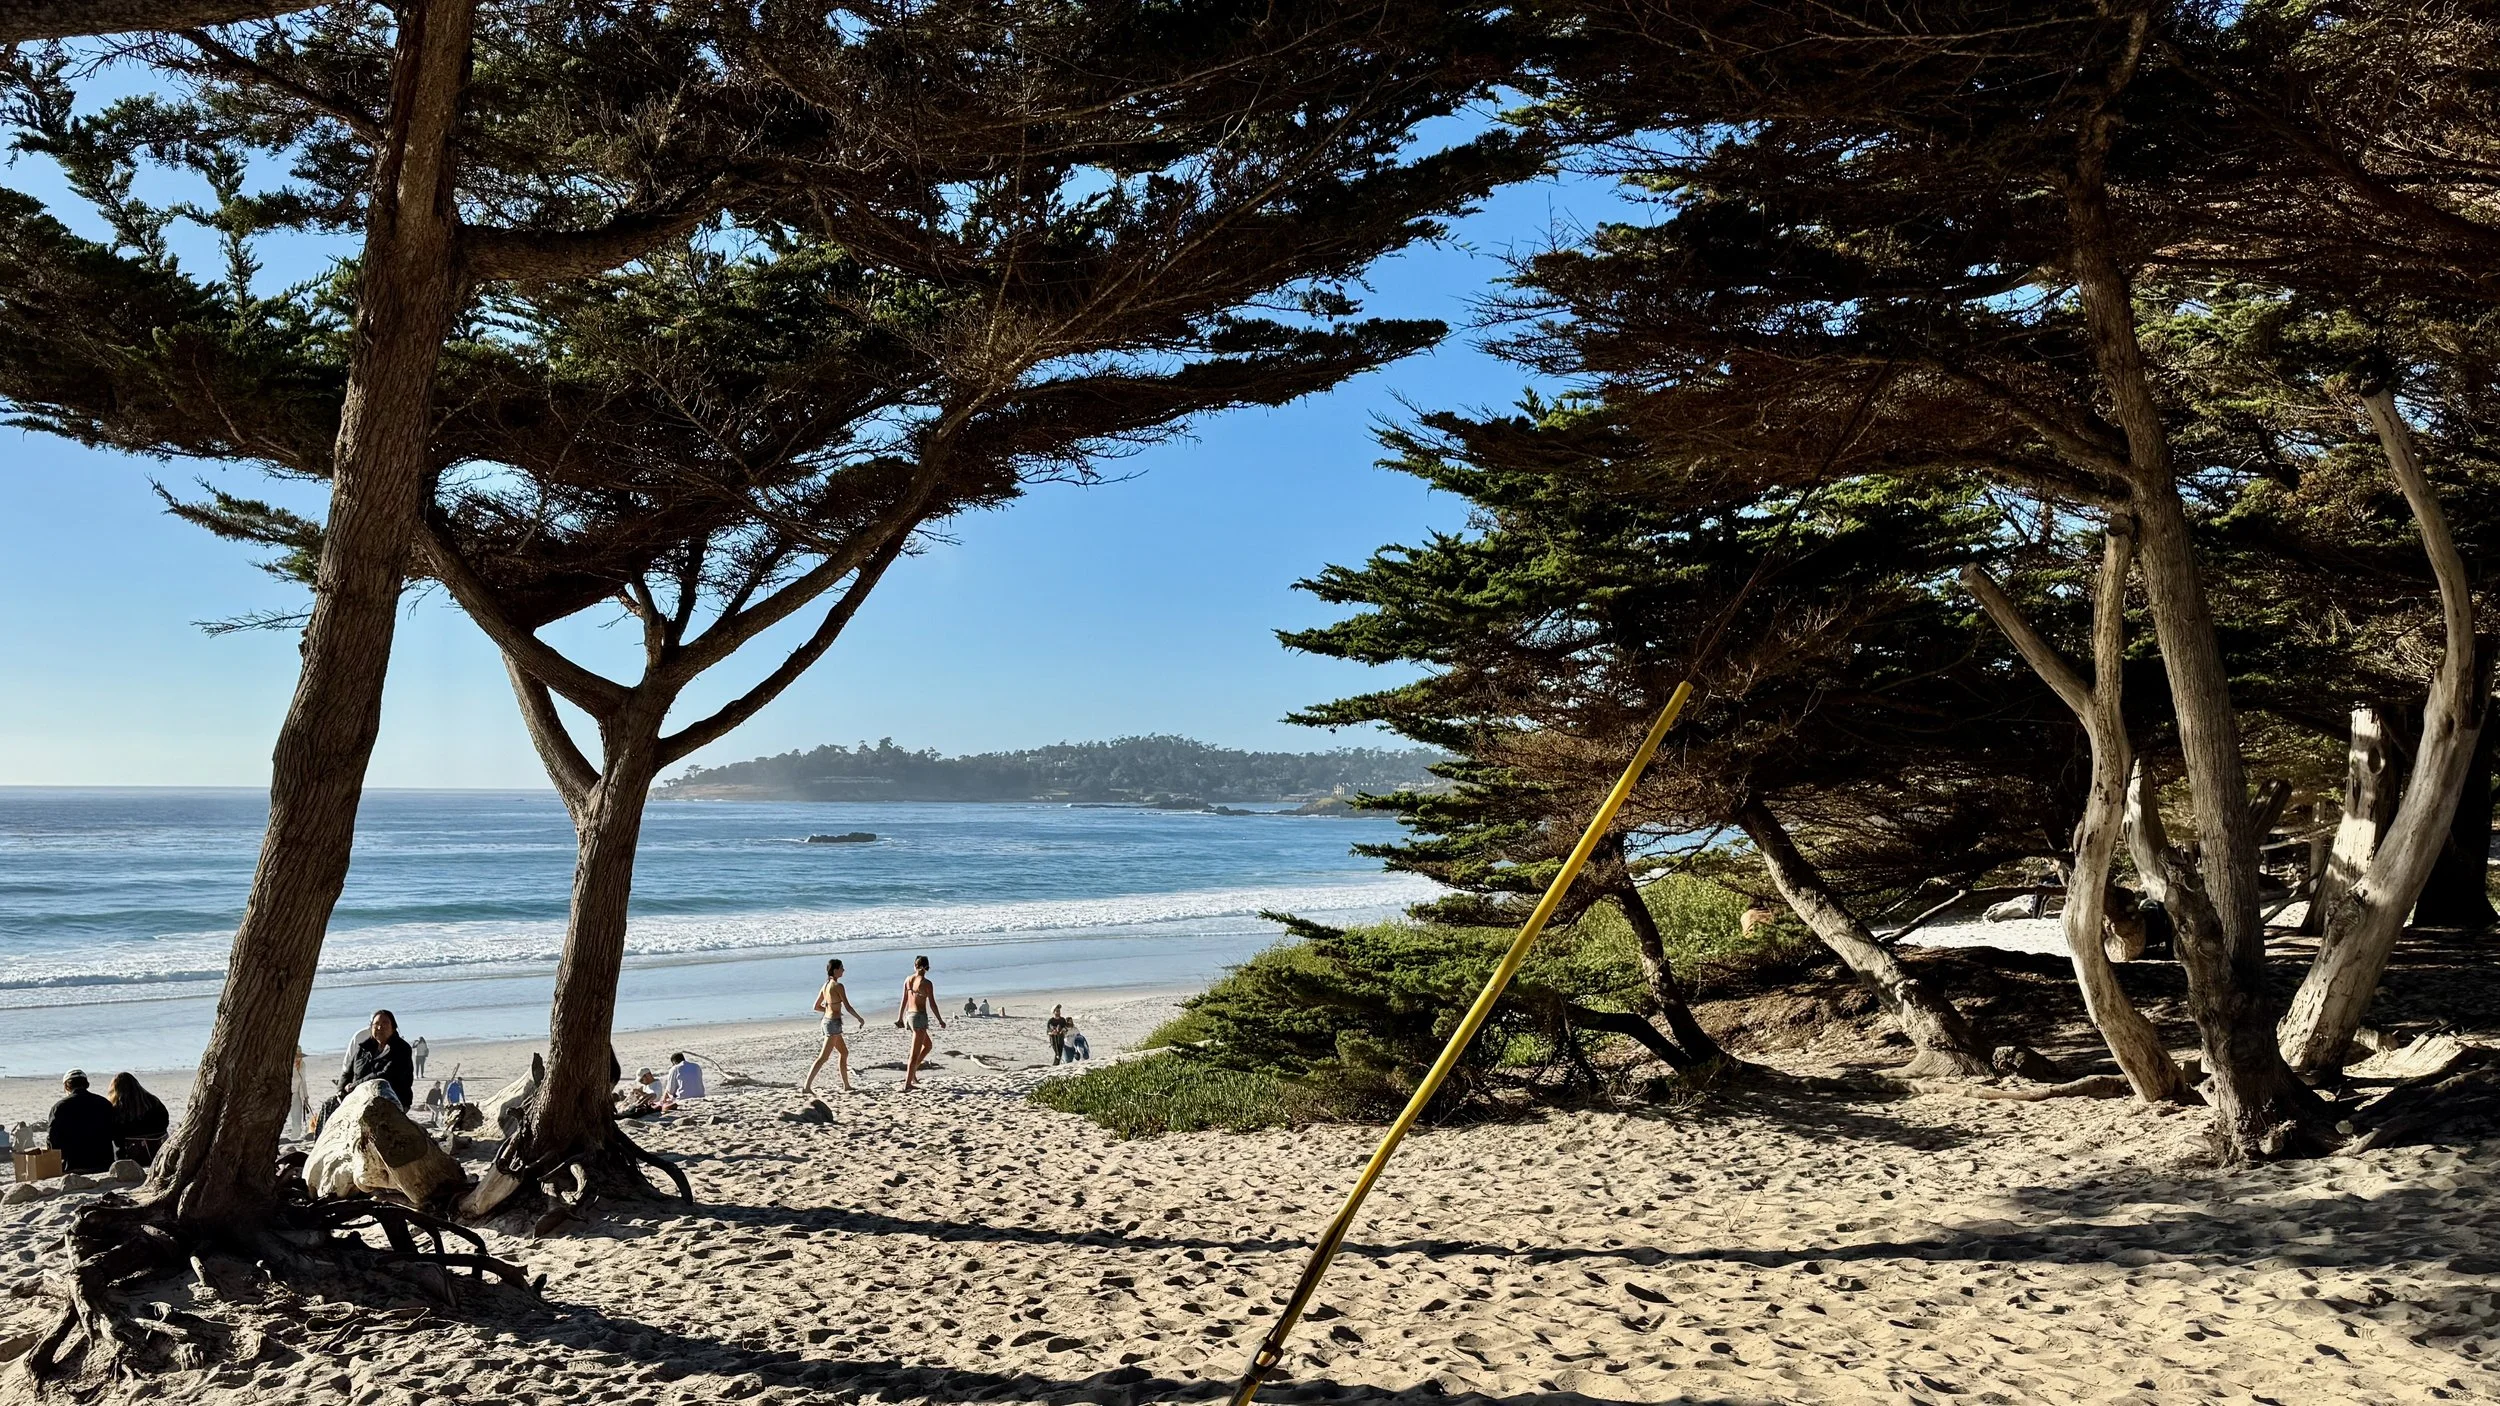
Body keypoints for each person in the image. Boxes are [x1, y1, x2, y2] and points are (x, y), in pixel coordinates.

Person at [804, 959, 868, 1096]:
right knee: (823, 1057)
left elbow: (816, 1006)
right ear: (835, 970)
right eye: (841, 968)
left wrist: (829, 1009)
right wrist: (859, 1018)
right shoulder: (838, 986)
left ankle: (846, 1085)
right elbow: (848, 1006)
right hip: (832, 1024)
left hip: (828, 1022)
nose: (843, 970)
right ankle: (807, 1086)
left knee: (844, 1053)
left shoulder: (826, 985)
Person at [339, 1009, 416, 1107]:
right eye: (376, 1024)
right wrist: (341, 1091)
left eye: (385, 1023)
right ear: (371, 1028)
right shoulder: (363, 1047)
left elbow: (386, 1075)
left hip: (390, 1100)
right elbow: (347, 1072)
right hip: (358, 1097)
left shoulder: (402, 1049)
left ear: (393, 1028)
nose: (380, 1027)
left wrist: (354, 1086)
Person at [46, 1070, 116, 1175]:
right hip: (104, 1163)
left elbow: (53, 1139)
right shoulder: (104, 1103)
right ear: (87, 1084)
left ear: (66, 1086)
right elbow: (114, 1131)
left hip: (73, 1165)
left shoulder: (60, 1107)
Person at [894, 954, 945, 1090]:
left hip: (909, 1016)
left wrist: (900, 1018)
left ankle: (913, 1072)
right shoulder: (926, 983)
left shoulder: (908, 980)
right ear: (926, 967)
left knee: (927, 1045)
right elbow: (933, 1004)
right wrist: (940, 1020)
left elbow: (904, 1000)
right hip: (919, 1017)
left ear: (915, 966)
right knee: (914, 1052)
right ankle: (907, 1083)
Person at [106, 1072, 171, 1166]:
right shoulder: (153, 1101)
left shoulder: (117, 1108)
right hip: (158, 1149)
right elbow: (165, 1121)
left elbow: (115, 1134)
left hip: (130, 1155)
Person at [286, 1047, 311, 1140]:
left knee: (297, 1118)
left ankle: (295, 1138)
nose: (298, 1059)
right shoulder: (286, 1065)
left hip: (297, 1094)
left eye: (299, 1056)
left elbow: (303, 1081)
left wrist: (306, 1096)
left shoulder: (302, 1065)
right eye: (296, 1056)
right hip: (285, 1095)